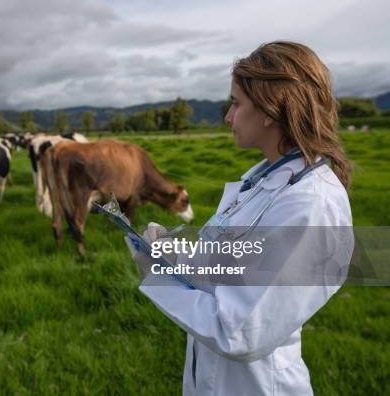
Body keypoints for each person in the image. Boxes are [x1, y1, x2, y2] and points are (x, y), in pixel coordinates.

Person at [125, 41, 353, 395]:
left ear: (269, 109)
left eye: (235, 103)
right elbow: (228, 266)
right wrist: (173, 256)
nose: (228, 117)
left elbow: (241, 330)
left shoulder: (310, 205)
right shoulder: (259, 178)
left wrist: (158, 278)